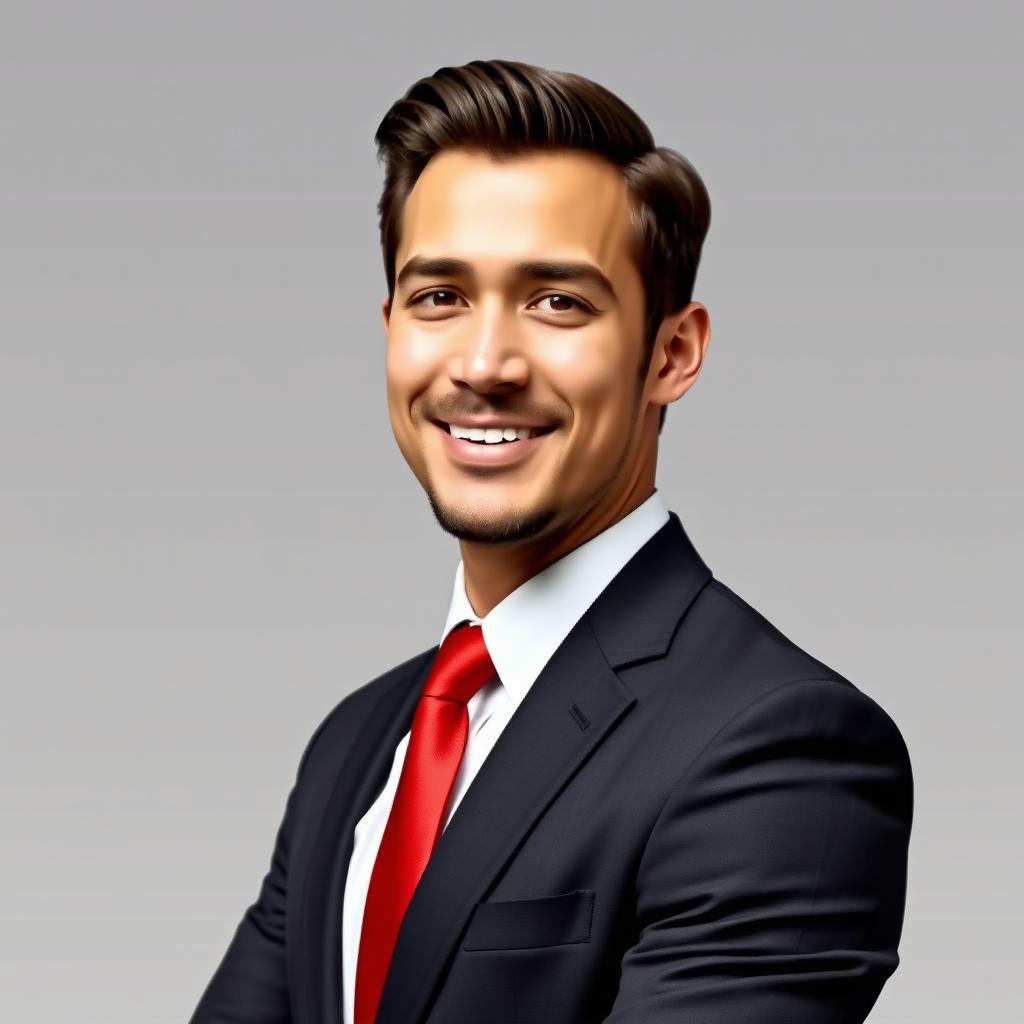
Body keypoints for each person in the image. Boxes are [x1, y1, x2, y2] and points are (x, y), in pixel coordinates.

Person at [189, 58, 913, 1024]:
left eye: (557, 301)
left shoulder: (779, 748)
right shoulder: (353, 745)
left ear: (672, 352)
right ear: (390, 328)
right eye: (440, 296)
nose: (484, 364)